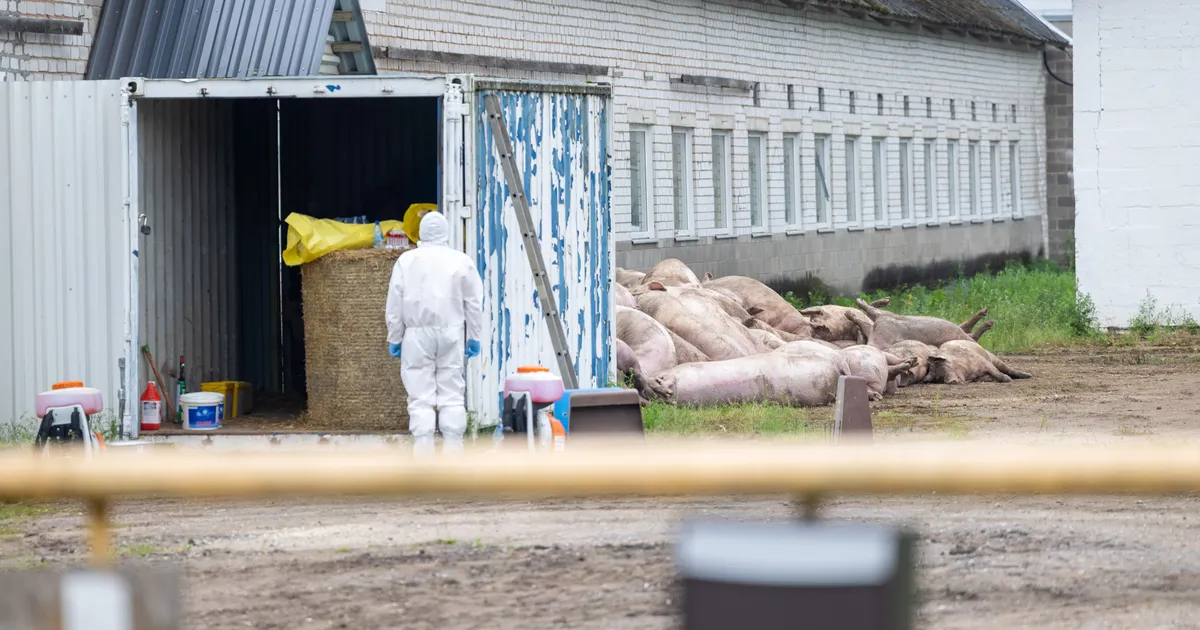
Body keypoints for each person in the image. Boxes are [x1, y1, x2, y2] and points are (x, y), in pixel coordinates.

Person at [385, 211, 483, 456]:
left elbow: (394, 305)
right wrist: (474, 336)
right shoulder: (461, 261)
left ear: (421, 232)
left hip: (416, 335)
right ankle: (453, 455)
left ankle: (423, 456)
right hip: (452, 333)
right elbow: (473, 303)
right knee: (452, 393)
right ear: (446, 232)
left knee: (419, 395)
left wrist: (394, 337)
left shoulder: (407, 261)